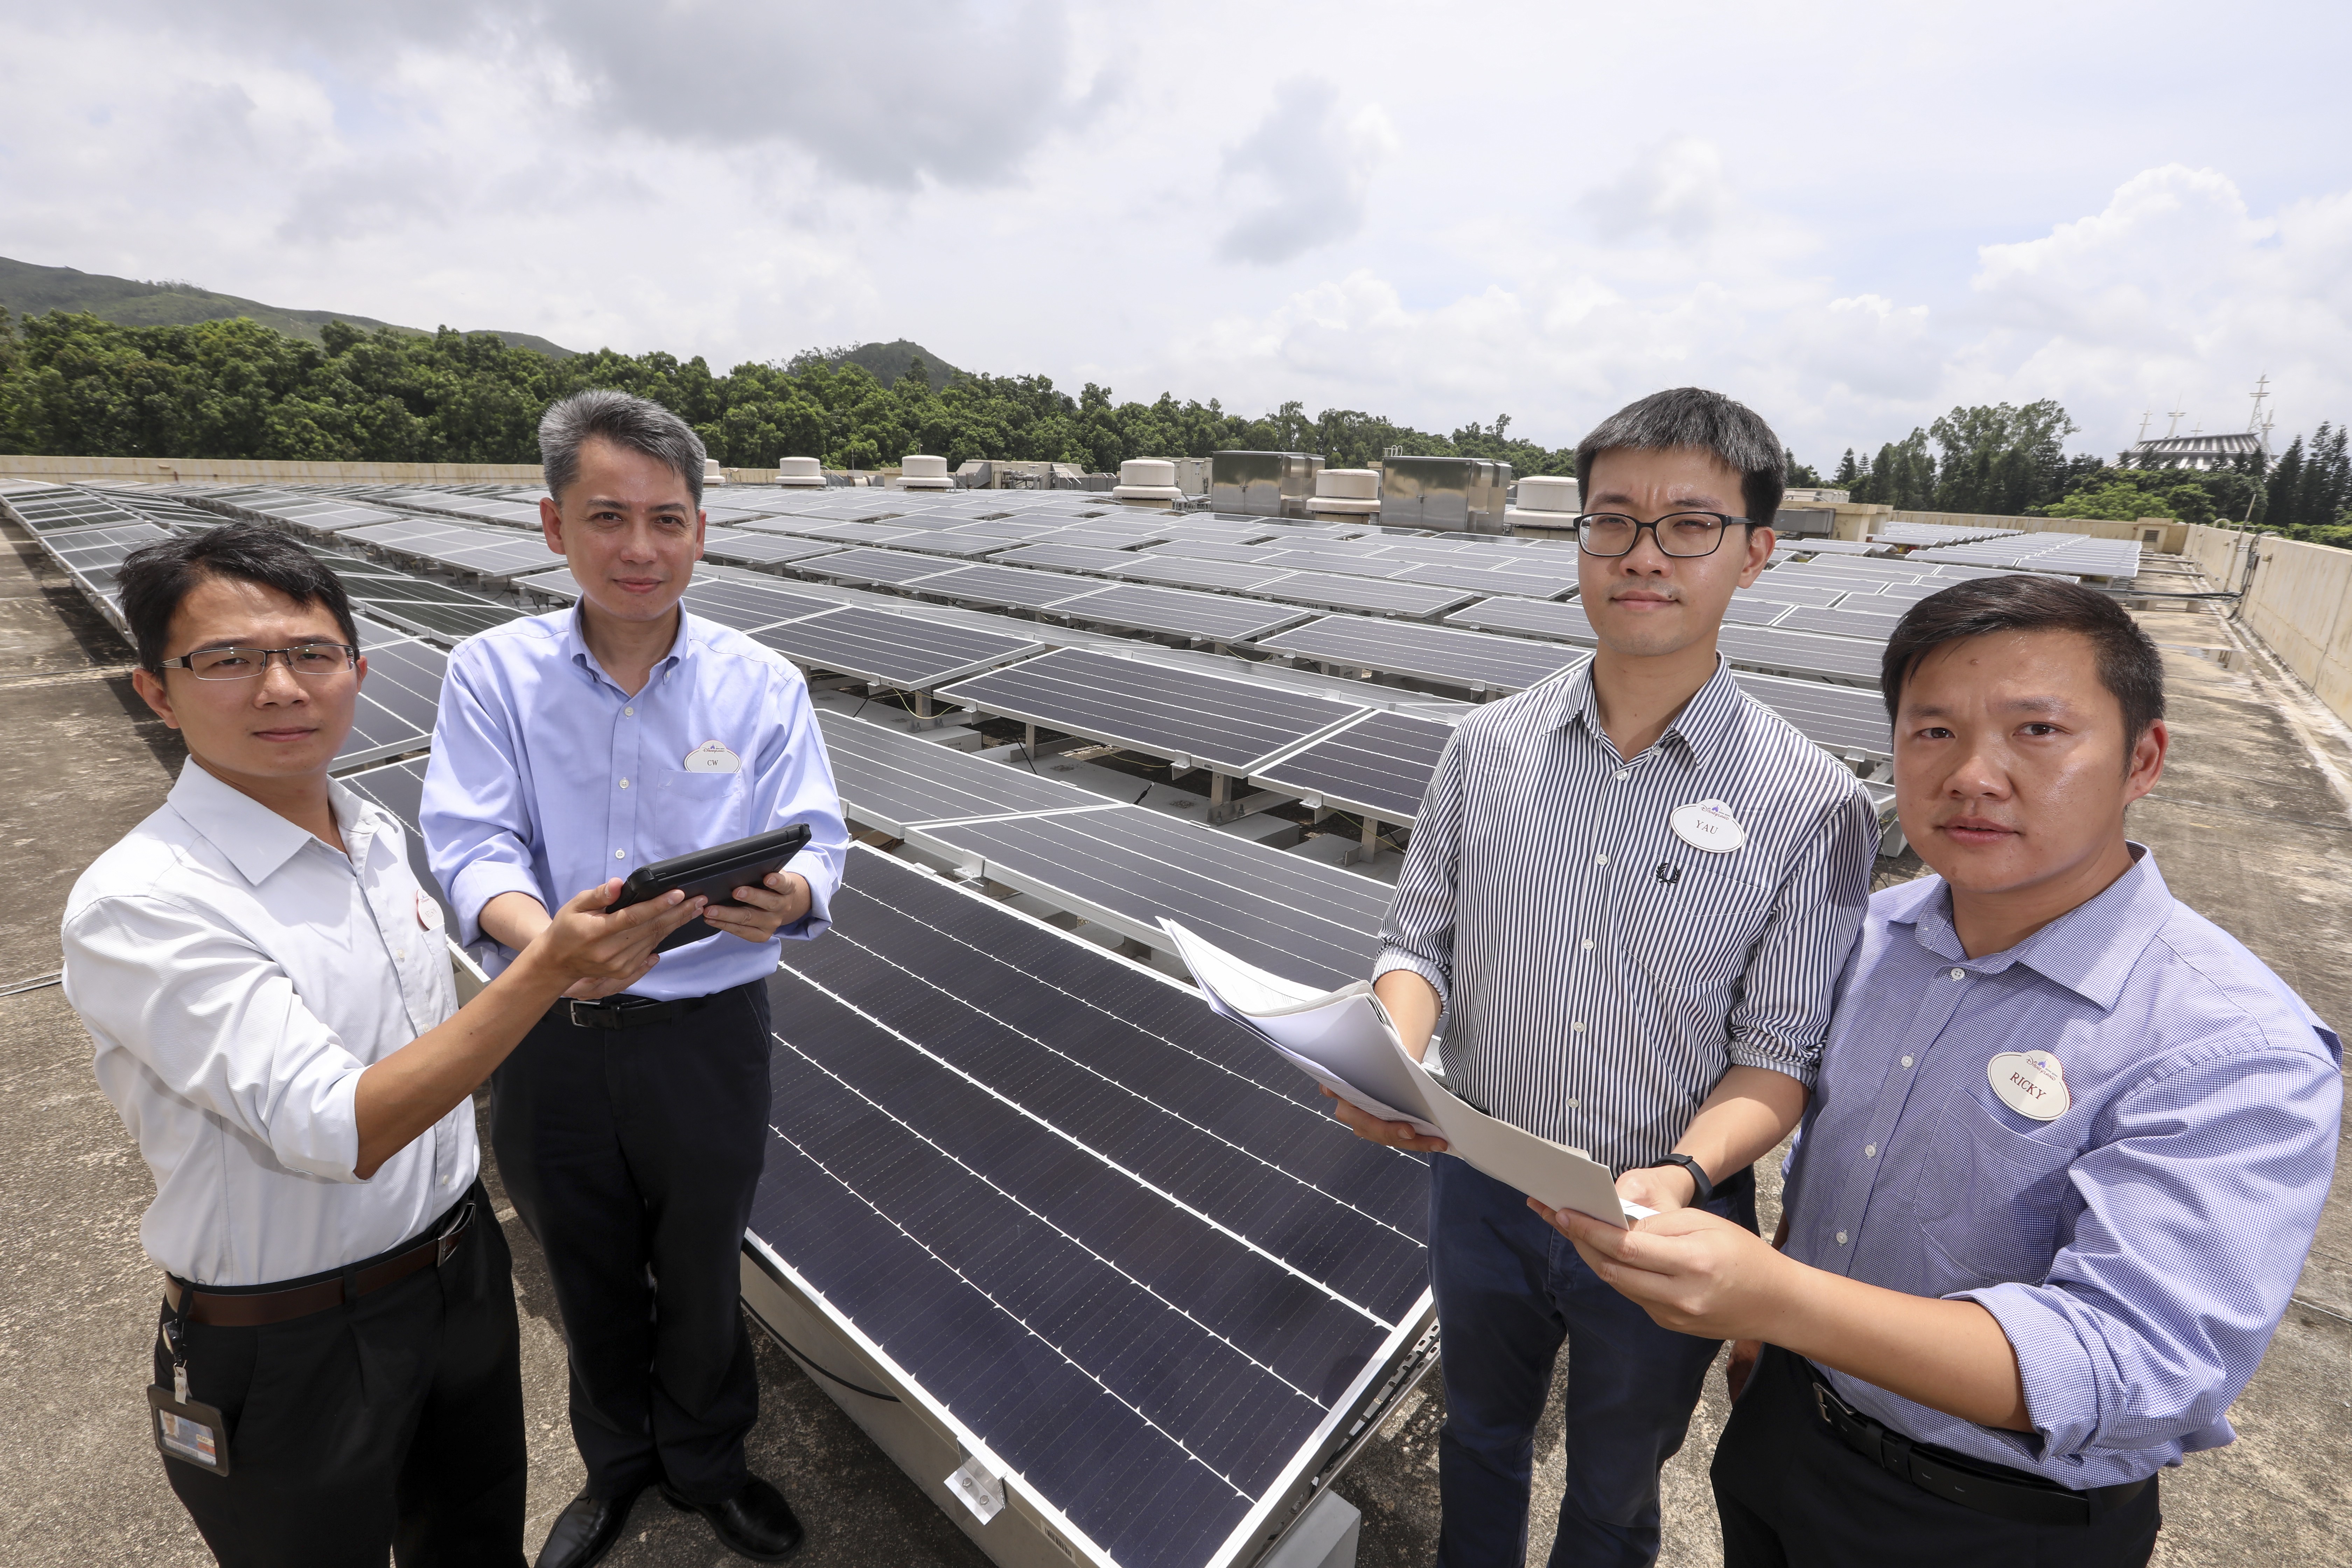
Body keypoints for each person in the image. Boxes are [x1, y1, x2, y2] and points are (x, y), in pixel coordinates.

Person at [1541, 575, 2342, 1567]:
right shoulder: (1867, 937)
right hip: (1790, 1431)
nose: (1974, 775)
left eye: (2037, 731)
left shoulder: (2232, 1044)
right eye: (1933, 733)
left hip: (1995, 1519)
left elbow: (2135, 1363)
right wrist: (1769, 1340)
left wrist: (1773, 1301)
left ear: (2144, 758)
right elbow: (1839, 1161)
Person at [63, 524, 708, 1568]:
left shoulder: (369, 832)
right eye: (228, 660)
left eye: (310, 654)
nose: (280, 688)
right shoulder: (147, 904)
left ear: (357, 670)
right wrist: (548, 969)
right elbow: (338, 1127)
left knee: (475, 1542)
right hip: (287, 1342)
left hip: (456, 1278)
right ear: (156, 690)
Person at [1338, 387, 1882, 1566]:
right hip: (1481, 1184)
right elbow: (1417, 939)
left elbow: (1777, 1060)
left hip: (1668, 1218)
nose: (1643, 554)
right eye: (1612, 521)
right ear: (1577, 539)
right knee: (1478, 1436)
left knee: (1616, 1486)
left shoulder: (1811, 801)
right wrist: (1393, 1056)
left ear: (1756, 552)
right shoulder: (1485, 746)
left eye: (1689, 524)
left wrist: (1679, 1178)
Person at [423, 389, 847, 1568]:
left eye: (668, 518)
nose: (640, 548)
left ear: (703, 531)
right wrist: (547, 942)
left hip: (706, 1031)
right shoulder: (493, 673)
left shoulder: (761, 684)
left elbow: (817, 835)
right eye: (608, 515)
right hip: (550, 1028)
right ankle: (617, 1472)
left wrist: (794, 895)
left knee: (706, 1265)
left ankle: (711, 1466)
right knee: (585, 1262)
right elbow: (469, 845)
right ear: (554, 527)